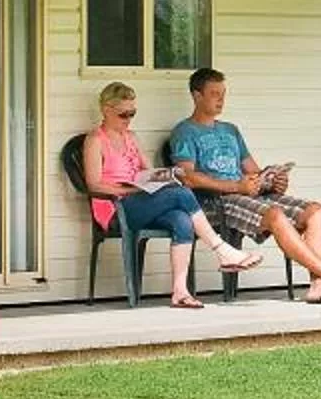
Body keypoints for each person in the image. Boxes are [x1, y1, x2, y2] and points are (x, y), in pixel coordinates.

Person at [170, 67, 321, 304]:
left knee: (316, 211)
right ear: (197, 95)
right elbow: (187, 177)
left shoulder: (230, 130)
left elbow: (253, 170)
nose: (221, 99)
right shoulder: (184, 131)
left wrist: (272, 180)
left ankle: (318, 286)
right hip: (216, 201)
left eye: (223, 93)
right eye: (214, 94)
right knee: (274, 215)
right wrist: (236, 186)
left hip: (248, 195)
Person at [82, 81, 259, 309]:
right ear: (106, 110)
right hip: (116, 209)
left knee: (181, 219)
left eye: (132, 114)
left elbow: (147, 172)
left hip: (140, 201)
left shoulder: (131, 137)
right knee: (181, 194)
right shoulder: (95, 141)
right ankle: (222, 250)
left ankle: (180, 292)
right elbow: (93, 184)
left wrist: (165, 176)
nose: (128, 120)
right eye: (123, 114)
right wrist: (128, 190)